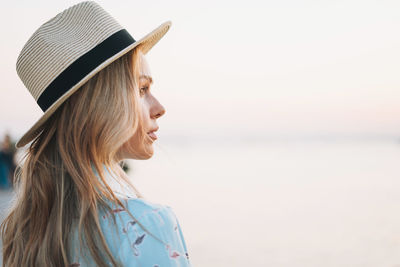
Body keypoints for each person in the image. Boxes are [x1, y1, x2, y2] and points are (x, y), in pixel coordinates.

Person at [0, 1, 191, 266]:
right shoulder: (148, 227)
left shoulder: (22, 234)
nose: (159, 108)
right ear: (101, 105)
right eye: (141, 90)